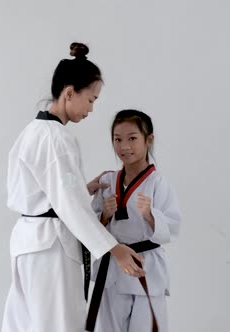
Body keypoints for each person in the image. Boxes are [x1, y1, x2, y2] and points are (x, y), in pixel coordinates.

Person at [1, 43, 146, 332]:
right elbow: (68, 204)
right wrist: (113, 248)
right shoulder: (57, 138)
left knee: (28, 323)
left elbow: (50, 189)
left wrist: (84, 187)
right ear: (69, 93)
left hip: (28, 243)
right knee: (57, 324)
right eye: (91, 99)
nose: (92, 108)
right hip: (49, 247)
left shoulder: (32, 131)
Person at [88, 109, 182, 332]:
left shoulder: (158, 183)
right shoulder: (108, 180)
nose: (124, 146)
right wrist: (104, 216)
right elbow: (88, 226)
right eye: (117, 139)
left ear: (149, 140)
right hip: (112, 267)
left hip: (145, 267)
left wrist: (150, 215)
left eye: (132, 138)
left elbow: (173, 226)